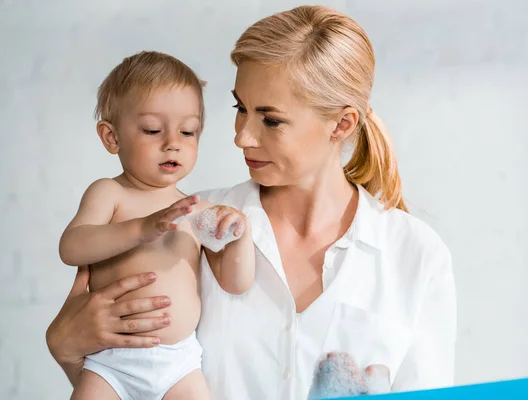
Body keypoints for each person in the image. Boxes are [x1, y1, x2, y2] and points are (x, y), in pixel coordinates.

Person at [46, 6, 456, 400]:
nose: (241, 136)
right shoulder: (184, 224)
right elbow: (130, 374)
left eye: (271, 119)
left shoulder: (416, 256)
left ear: (342, 124)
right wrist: (66, 349)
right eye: (240, 109)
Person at [57, 50, 255, 400]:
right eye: (152, 129)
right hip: (109, 363)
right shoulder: (111, 193)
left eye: (188, 131)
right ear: (111, 137)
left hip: (178, 364)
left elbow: (236, 283)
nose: (172, 143)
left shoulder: (196, 210)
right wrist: (140, 229)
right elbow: (72, 248)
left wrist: (240, 238)